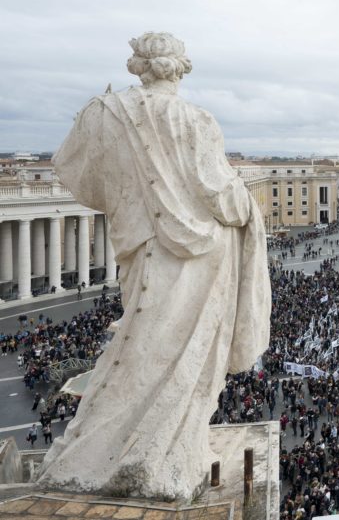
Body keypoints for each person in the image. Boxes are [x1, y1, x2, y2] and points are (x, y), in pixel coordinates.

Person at [39, 33, 271, 501]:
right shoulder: (196, 121)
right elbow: (219, 195)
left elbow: (77, 175)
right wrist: (249, 208)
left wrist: (132, 195)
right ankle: (153, 452)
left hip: (138, 241)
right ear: (181, 68)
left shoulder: (100, 113)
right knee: (175, 351)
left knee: (141, 342)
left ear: (137, 66)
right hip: (200, 258)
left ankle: (110, 450)